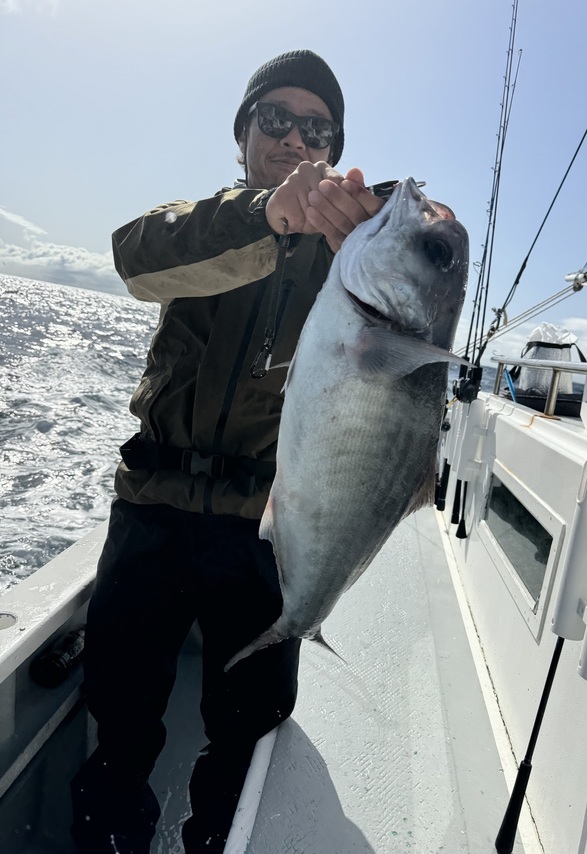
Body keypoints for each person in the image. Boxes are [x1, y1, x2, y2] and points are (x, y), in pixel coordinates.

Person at [70, 49, 383, 854]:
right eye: (275, 119)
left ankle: (217, 839)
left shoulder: (351, 253)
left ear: (333, 149)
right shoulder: (203, 223)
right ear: (243, 134)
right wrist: (268, 215)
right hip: (151, 511)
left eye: (317, 129)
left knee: (247, 728)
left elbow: (404, 299)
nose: (295, 138)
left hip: (262, 530)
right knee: (120, 710)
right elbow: (136, 259)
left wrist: (403, 231)